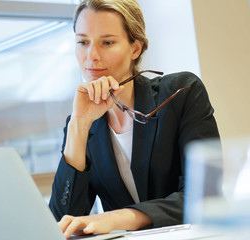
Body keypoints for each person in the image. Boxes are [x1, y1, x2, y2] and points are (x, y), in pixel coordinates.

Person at [49, 0, 220, 238]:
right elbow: (62, 222)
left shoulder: (182, 92)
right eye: (82, 42)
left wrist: (115, 218)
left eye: (107, 42)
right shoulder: (80, 123)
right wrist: (78, 124)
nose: (92, 56)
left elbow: (206, 196)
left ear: (136, 48)